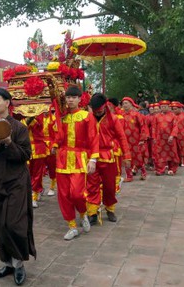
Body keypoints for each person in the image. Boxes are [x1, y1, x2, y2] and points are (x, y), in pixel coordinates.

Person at [0, 88, 35, 286]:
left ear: (7, 103)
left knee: (14, 224)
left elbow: (26, 155)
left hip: (16, 183)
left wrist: (9, 142)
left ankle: (19, 264)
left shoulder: (19, 128)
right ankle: (8, 263)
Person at [54, 85, 99, 240]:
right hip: (62, 159)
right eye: (68, 97)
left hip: (80, 158)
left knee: (77, 194)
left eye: (73, 97)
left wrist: (93, 159)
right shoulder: (62, 116)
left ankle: (83, 213)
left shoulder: (87, 116)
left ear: (80, 99)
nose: (70, 100)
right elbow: (56, 137)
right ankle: (72, 226)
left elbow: (93, 138)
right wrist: (54, 144)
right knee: (64, 194)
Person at [86, 93, 131, 224]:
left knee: (109, 186)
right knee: (91, 186)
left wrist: (127, 156)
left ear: (105, 106)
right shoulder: (88, 118)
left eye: (100, 109)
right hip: (92, 158)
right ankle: (92, 212)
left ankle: (110, 209)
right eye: (95, 110)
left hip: (108, 157)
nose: (98, 112)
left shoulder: (114, 119)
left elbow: (122, 137)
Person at [121, 97, 149, 181]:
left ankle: (143, 172)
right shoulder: (121, 115)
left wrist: (142, 139)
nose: (124, 105)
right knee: (126, 158)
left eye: (126, 103)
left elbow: (143, 127)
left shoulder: (136, 115)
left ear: (131, 104)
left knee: (137, 157)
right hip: (124, 141)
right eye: (123, 103)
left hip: (135, 140)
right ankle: (129, 176)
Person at [152, 100, 179, 175]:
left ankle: (172, 169)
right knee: (160, 154)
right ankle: (160, 169)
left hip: (170, 139)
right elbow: (154, 127)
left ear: (168, 107)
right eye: (162, 107)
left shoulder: (173, 116)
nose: (163, 108)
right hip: (159, 139)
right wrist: (154, 137)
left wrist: (172, 135)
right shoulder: (156, 116)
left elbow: (175, 126)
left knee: (172, 153)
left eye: (165, 106)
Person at [171, 101, 184, 166]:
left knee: (183, 148)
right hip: (175, 135)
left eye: (175, 109)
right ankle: (178, 161)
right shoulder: (172, 116)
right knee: (176, 148)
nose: (174, 110)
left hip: (183, 135)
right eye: (173, 109)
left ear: (180, 109)